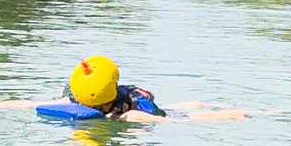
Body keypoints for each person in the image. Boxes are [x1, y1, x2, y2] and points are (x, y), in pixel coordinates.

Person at [65, 56, 247, 122]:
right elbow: (60, 102)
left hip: (142, 110)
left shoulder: (131, 115)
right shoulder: (81, 98)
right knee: (176, 108)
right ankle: (195, 103)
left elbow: (170, 122)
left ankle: (234, 113)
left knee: (179, 117)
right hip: (129, 100)